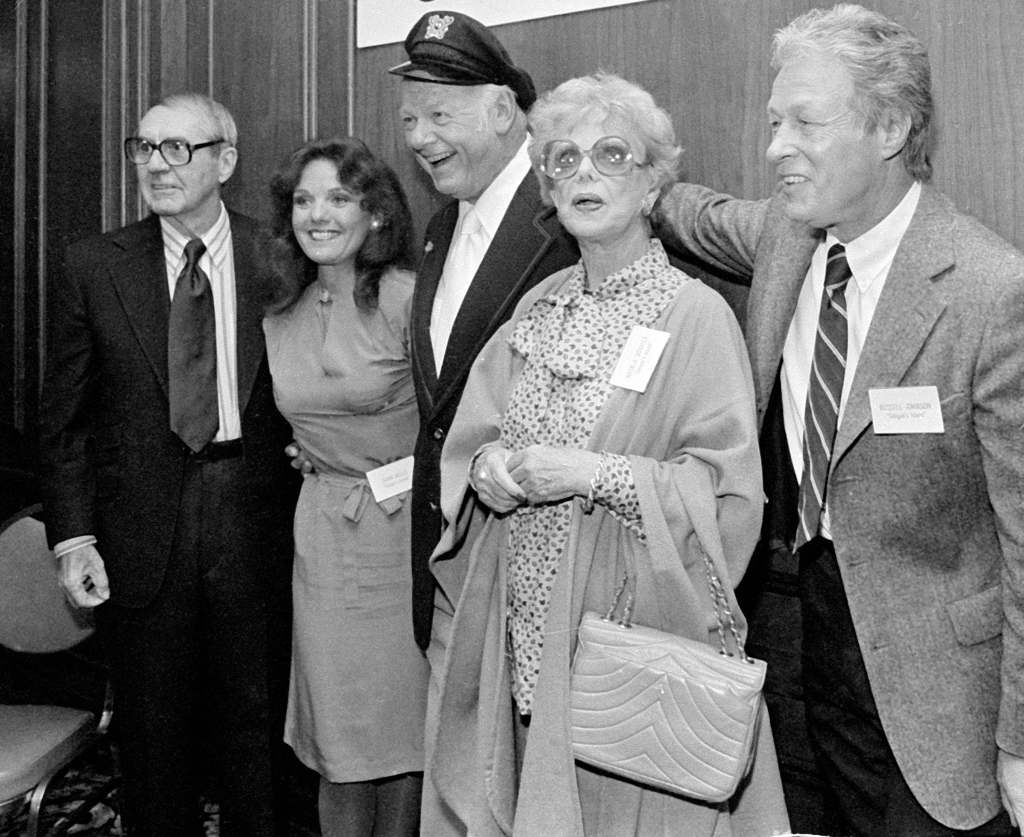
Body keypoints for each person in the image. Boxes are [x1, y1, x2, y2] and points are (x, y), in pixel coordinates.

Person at [656, 5, 1024, 835]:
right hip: (781, 657)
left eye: (805, 123)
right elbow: (694, 213)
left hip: (927, 704)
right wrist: (621, 171)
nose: (775, 146)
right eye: (774, 120)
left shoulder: (988, 292)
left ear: (891, 128)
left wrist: (1021, 741)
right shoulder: (784, 239)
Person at [425, 72, 790, 836]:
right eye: (562, 159)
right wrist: (487, 469)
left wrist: (593, 474)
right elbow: (474, 439)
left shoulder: (695, 317)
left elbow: (728, 495)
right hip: (518, 630)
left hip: (623, 643)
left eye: (611, 154)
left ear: (655, 180)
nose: (583, 173)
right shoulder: (538, 306)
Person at [38, 92, 297, 836]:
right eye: (145, 147)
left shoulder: (278, 256)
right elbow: (63, 419)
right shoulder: (92, 265)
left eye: (177, 148)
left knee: (256, 725)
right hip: (139, 530)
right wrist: (73, 536)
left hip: (254, 514)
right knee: (152, 737)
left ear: (226, 160)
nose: (156, 164)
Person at [388, 10, 580, 657]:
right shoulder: (442, 225)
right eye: (410, 119)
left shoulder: (567, 215)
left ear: (503, 110)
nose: (418, 137)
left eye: (439, 117)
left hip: (532, 555)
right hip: (447, 559)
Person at [262, 137, 428, 836]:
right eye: (304, 199)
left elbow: (460, 418)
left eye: (337, 197)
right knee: (337, 738)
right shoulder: (278, 309)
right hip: (324, 533)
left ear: (376, 213)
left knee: (401, 739)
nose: (317, 214)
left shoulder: (409, 301)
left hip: (404, 537)